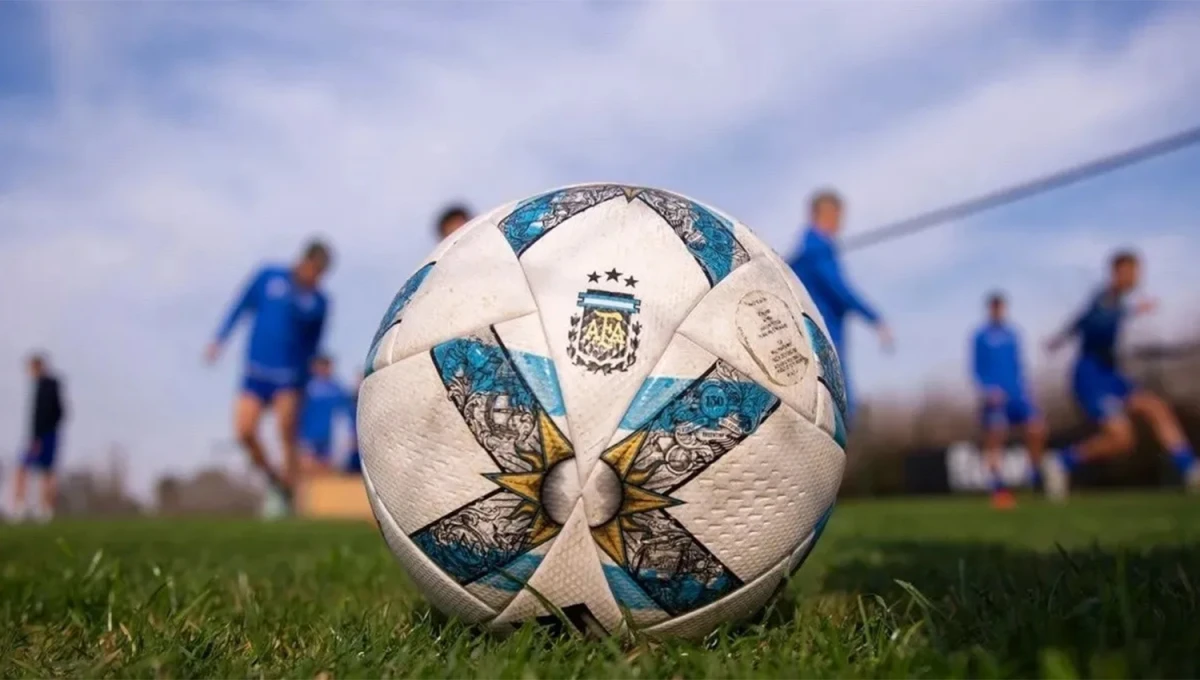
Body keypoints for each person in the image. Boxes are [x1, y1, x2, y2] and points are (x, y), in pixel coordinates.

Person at [1043, 250, 1198, 499]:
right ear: (1117, 273)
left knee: (1155, 408)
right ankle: (1061, 461)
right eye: (1131, 272)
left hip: (1111, 374)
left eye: (1137, 272)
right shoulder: (1106, 300)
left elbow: (1080, 320)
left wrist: (1060, 338)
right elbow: (1095, 323)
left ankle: (1190, 470)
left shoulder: (1114, 301)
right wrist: (1132, 311)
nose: (1135, 278)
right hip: (1090, 377)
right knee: (1122, 439)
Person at [206, 240, 332, 514]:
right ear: (305, 262)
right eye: (315, 271)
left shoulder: (318, 303)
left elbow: (313, 347)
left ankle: (293, 497)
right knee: (244, 431)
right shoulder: (268, 277)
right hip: (256, 373)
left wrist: (305, 384)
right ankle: (274, 480)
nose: (317, 278)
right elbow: (240, 306)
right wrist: (219, 339)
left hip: (288, 379)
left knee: (286, 432)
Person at [788, 190, 892, 421]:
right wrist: (875, 319)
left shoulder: (804, 251)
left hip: (814, 339)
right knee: (839, 410)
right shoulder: (817, 247)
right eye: (838, 217)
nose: (840, 224)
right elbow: (839, 289)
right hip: (824, 340)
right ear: (827, 214)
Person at [971, 292, 1046, 509]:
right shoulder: (980, 336)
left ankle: (1035, 475)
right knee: (996, 436)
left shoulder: (1013, 334)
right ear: (989, 309)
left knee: (1037, 428)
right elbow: (976, 368)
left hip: (1017, 393)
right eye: (994, 307)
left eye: (1000, 307)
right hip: (994, 396)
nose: (997, 311)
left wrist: (1026, 388)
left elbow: (1019, 364)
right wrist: (988, 390)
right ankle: (998, 489)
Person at [13, 354, 66, 521]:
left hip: (45, 436)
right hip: (38, 436)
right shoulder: (38, 386)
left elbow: (58, 412)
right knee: (27, 469)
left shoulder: (50, 385)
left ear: (38, 367)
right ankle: (22, 506)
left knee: (45, 471)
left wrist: (41, 436)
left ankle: (44, 509)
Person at [299, 355, 354, 474]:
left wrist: (353, 433)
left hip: (328, 436)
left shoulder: (336, 388)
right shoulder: (306, 387)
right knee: (307, 467)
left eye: (326, 367)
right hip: (307, 435)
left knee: (327, 469)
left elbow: (349, 411)